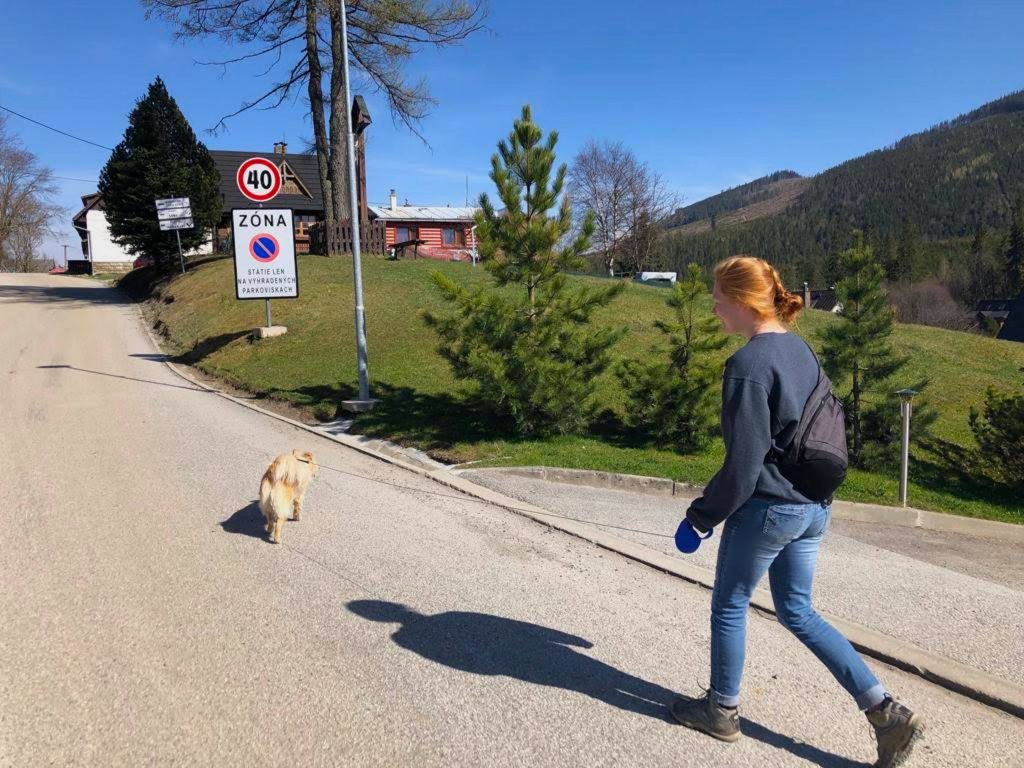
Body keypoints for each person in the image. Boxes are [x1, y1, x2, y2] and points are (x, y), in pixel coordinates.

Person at [669, 256, 923, 768]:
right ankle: (885, 713)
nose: (715, 309)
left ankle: (721, 710)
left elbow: (743, 466)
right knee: (799, 611)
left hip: (768, 510)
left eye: (719, 299)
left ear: (743, 302)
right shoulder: (801, 350)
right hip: (813, 508)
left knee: (730, 604)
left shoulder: (748, 366)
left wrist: (701, 516)